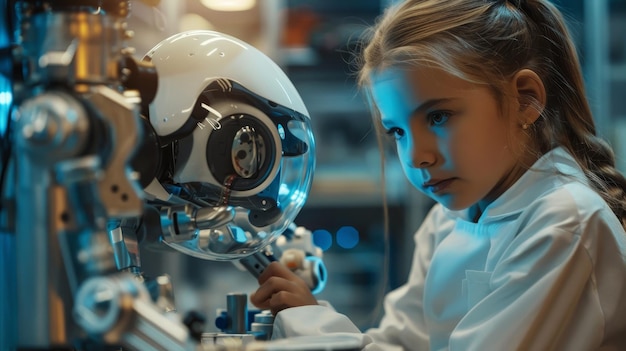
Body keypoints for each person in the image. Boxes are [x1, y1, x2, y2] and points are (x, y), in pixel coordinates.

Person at [249, 0, 626, 349]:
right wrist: (306, 315)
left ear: (525, 99)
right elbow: (402, 343)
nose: (416, 156)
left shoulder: (563, 224)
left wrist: (314, 325)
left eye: (438, 117)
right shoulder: (448, 220)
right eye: (397, 131)